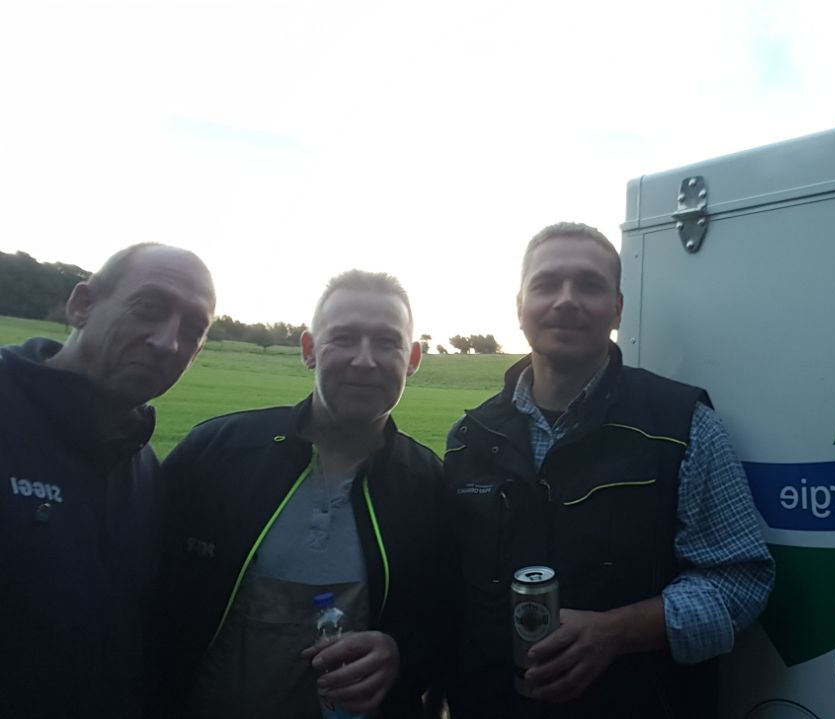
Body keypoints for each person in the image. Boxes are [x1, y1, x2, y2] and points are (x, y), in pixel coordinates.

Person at [443, 222, 774, 718]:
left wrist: (617, 632)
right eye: (546, 284)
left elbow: (741, 583)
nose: (566, 301)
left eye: (589, 285)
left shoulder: (683, 425)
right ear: (519, 306)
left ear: (617, 309)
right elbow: (446, 597)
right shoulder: (469, 438)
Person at [159, 270, 455, 718]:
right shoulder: (216, 452)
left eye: (387, 343)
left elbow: (450, 620)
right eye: (343, 339)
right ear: (309, 350)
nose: (364, 361)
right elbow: (137, 596)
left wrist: (401, 655)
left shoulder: (432, 486)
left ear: (412, 358)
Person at [0, 242, 216, 718]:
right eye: (149, 309)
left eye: (192, 330)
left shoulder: (143, 466)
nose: (167, 342)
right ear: (82, 305)